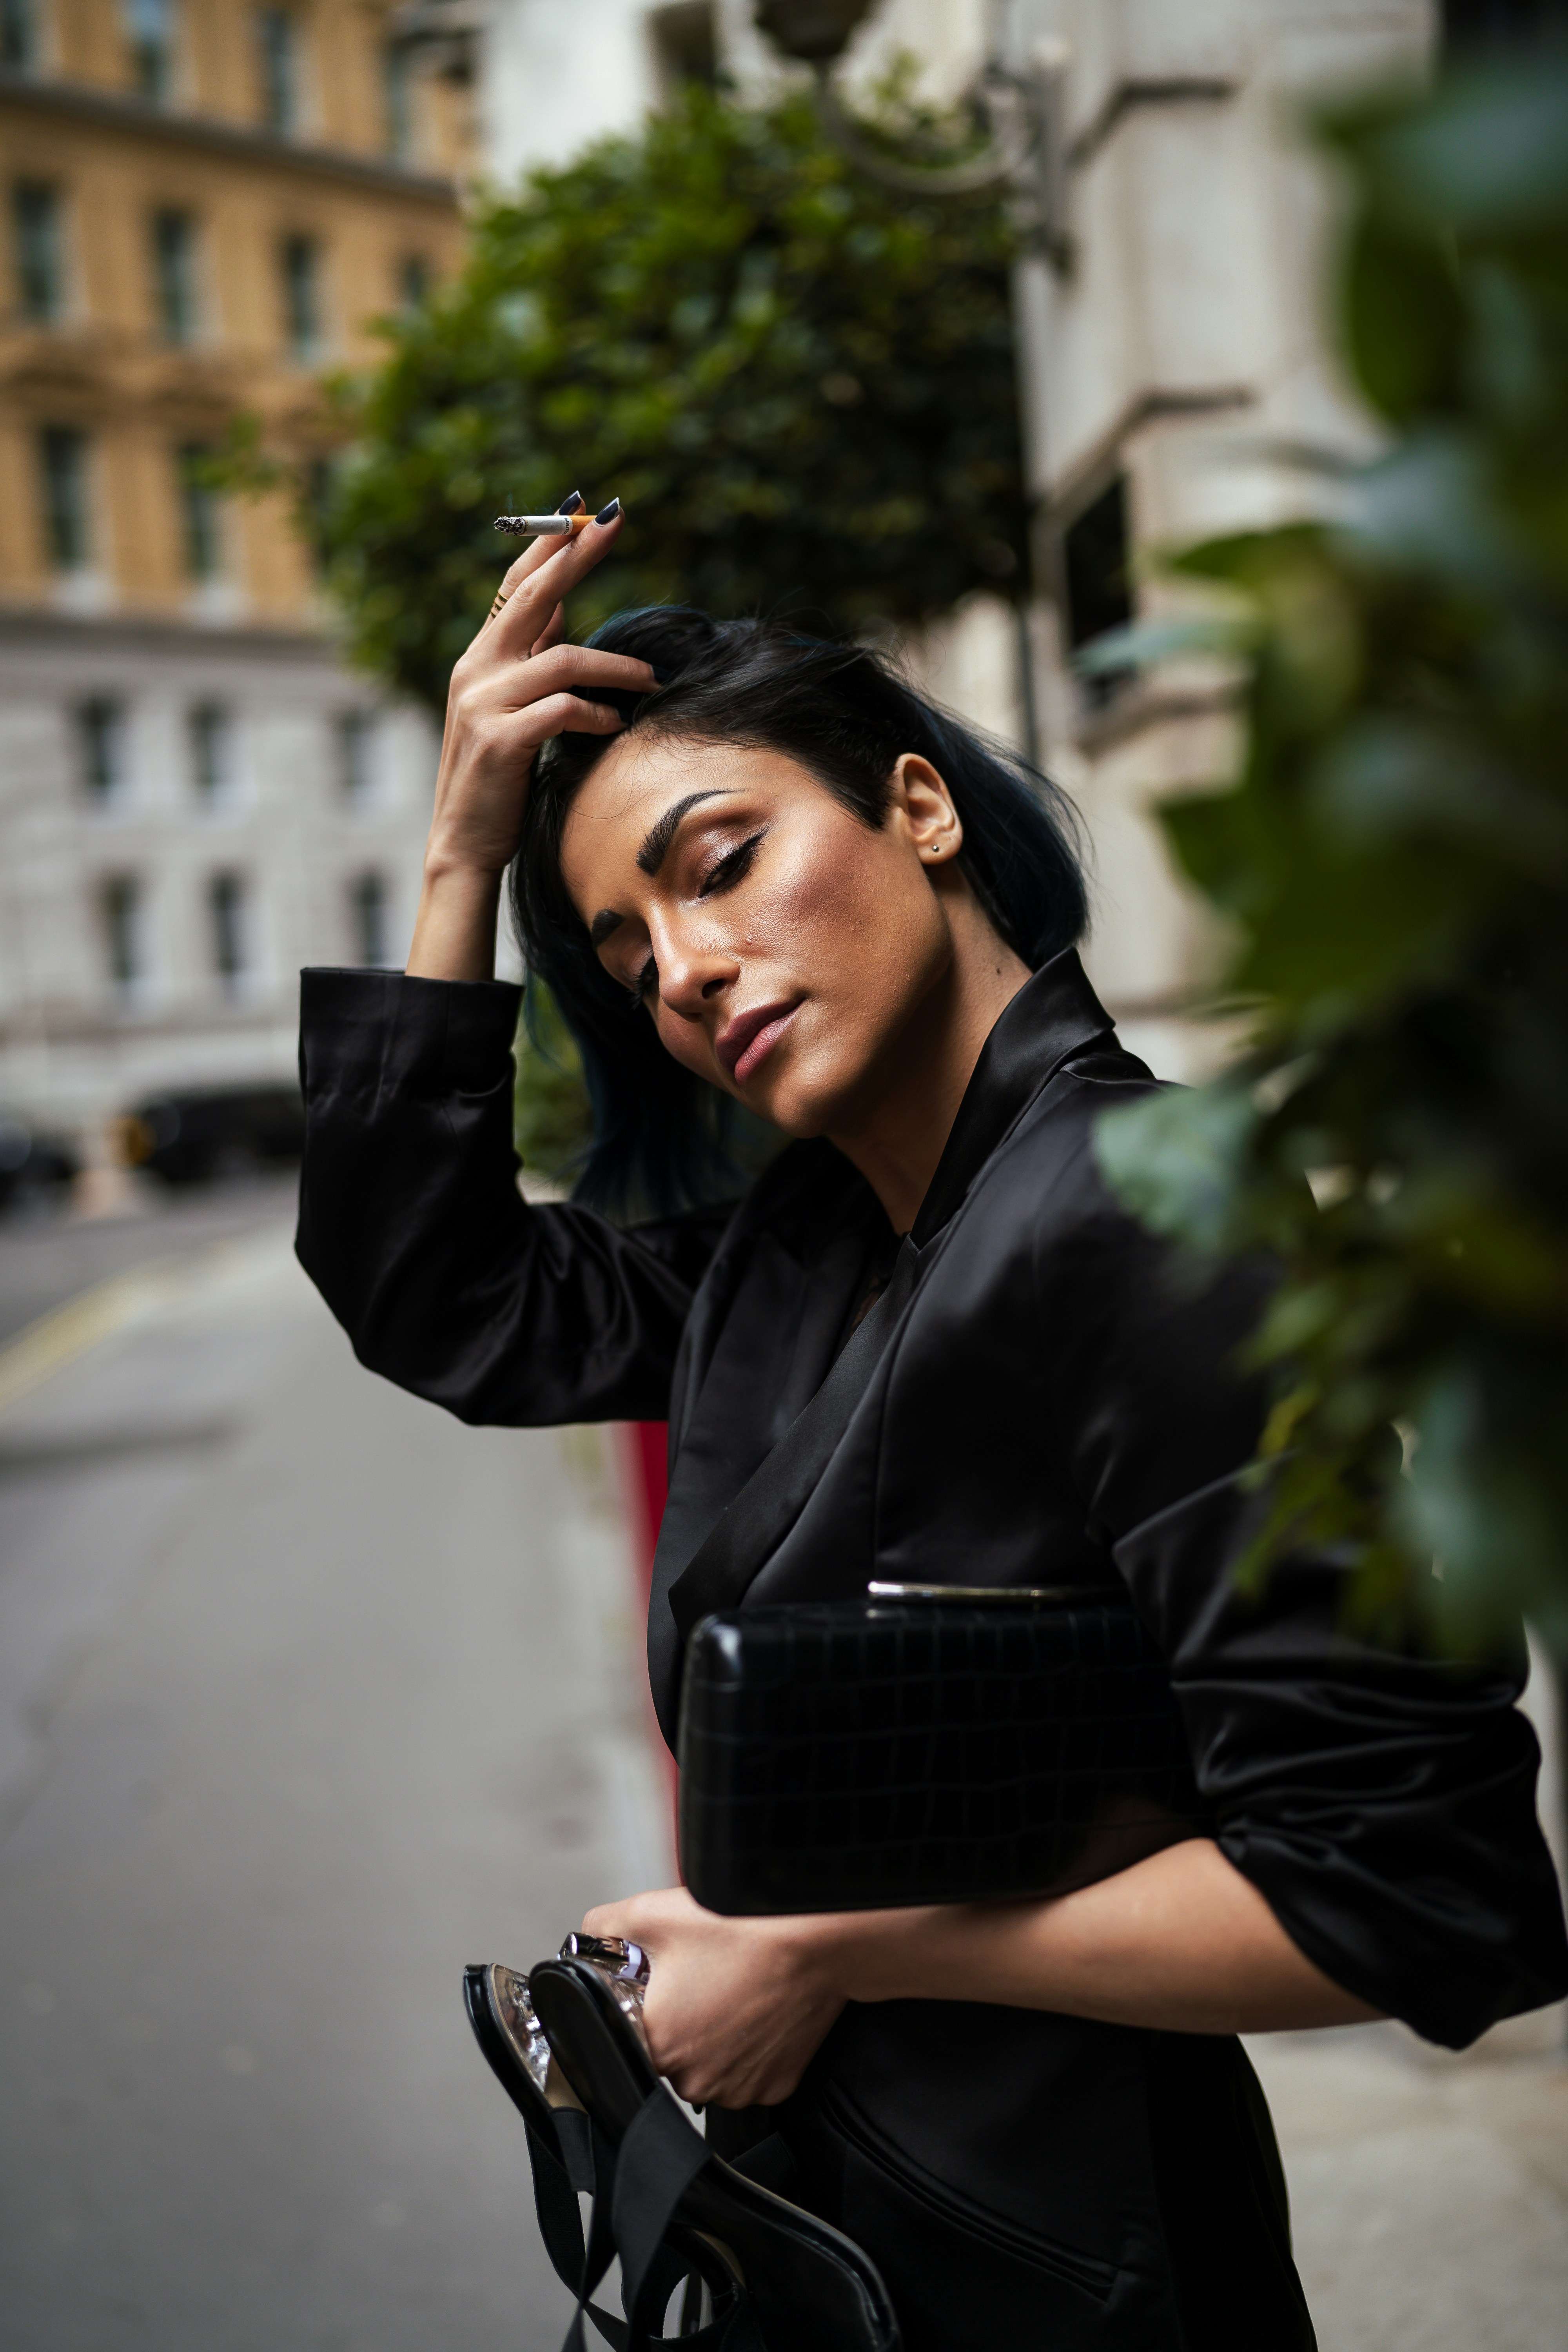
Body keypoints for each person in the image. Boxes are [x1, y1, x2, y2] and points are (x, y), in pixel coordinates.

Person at [296, 509, 1568, 2352]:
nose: (689, 969)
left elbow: (1418, 1892)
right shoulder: (809, 1246)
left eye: (720, 865)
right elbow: (450, 1303)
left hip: (1067, 2273)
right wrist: (455, 847)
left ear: (919, 805)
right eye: (631, 952)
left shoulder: (1141, 1212)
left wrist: (828, 1952)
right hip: (851, 2247)